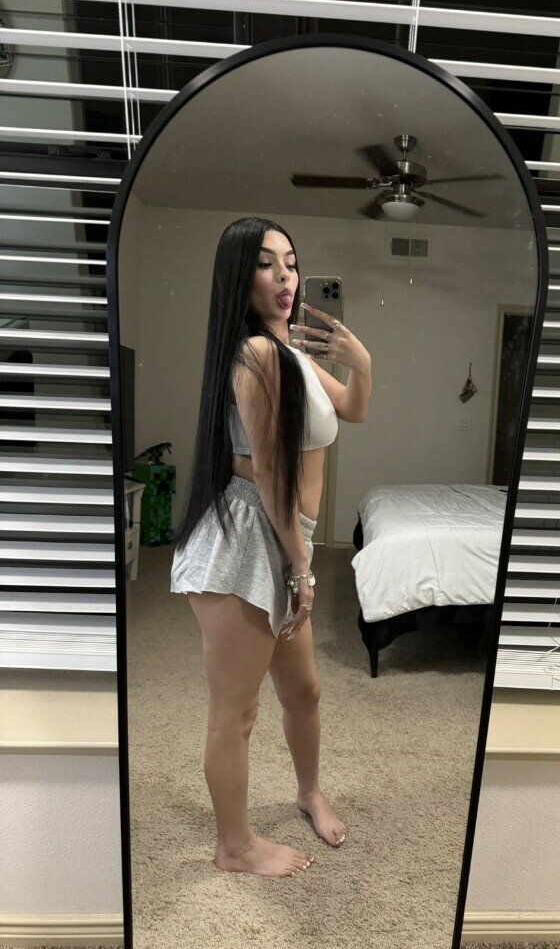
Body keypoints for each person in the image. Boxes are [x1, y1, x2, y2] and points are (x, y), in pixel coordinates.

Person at [170, 217, 371, 878]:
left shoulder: (293, 356)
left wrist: (361, 364)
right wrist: (302, 569)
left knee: (303, 691)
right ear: (240, 277)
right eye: (265, 263)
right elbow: (272, 474)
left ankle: (308, 791)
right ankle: (234, 848)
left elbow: (353, 409)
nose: (285, 276)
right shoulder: (256, 354)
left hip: (286, 538)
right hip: (249, 538)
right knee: (237, 711)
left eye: (291, 261)